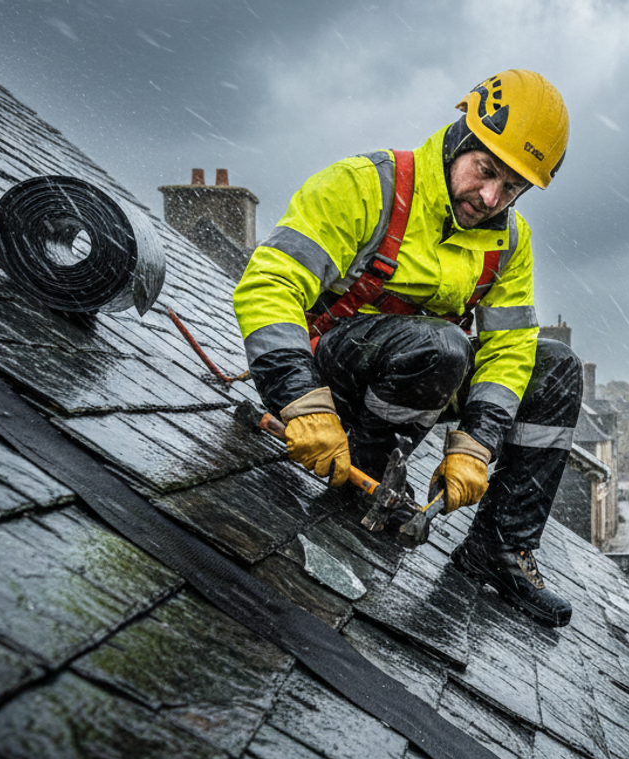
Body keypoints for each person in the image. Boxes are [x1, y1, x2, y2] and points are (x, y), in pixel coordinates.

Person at [233, 70, 581, 627]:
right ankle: (364, 481)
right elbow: (269, 284)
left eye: (512, 187)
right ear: (459, 140)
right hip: (324, 381)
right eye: (485, 171)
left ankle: (499, 547)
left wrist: (476, 444)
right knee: (442, 345)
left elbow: (510, 351)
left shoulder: (510, 241)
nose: (491, 198)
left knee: (556, 368)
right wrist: (298, 397)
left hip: (420, 375)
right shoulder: (363, 186)